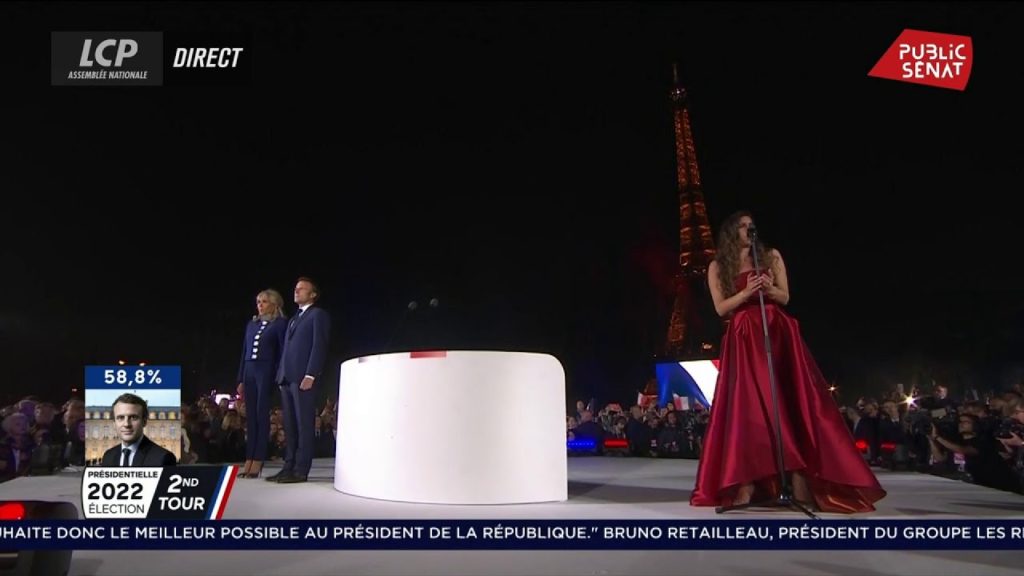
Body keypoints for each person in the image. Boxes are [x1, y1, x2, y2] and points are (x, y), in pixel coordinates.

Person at [690, 211, 885, 513]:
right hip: (744, 335)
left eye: (751, 224)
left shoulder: (771, 256)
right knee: (750, 406)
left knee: (785, 401)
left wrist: (767, 289)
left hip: (775, 330)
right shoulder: (718, 265)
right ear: (731, 232)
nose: (748, 229)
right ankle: (746, 480)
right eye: (742, 226)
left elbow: (786, 296)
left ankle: (797, 478)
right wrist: (746, 292)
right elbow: (720, 308)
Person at [267, 276, 330, 484]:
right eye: (295, 288)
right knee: (290, 426)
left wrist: (311, 374)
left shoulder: (317, 315)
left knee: (304, 425)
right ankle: (288, 466)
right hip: (287, 377)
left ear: (312, 294)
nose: (297, 291)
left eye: (302, 289)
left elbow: (318, 346)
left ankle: (301, 470)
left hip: (303, 378)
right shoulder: (294, 319)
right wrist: (280, 374)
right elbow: (286, 350)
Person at [235, 289, 289, 479]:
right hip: (250, 370)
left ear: (275, 304)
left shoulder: (281, 324)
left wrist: (280, 374)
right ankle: (249, 458)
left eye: (264, 301)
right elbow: (244, 352)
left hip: (266, 371)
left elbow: (283, 352)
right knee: (250, 416)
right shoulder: (251, 324)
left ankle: (258, 459)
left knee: (261, 414)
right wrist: (240, 378)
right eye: (258, 301)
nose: (260, 305)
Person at [101, 393, 177, 467]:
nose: (126, 424)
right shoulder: (108, 457)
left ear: (144, 421)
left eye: (133, 417)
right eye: (120, 418)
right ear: (114, 423)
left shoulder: (163, 458)